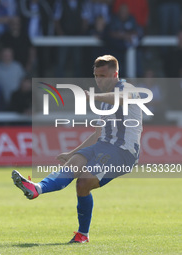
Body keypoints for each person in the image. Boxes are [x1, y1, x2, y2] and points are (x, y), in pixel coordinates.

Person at [12, 55, 142, 243]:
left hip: (123, 152)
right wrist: (73, 152)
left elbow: (122, 98)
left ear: (115, 74)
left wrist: (93, 96)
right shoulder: (105, 102)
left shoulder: (127, 89)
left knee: (84, 181)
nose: (98, 80)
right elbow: (98, 133)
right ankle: (37, 189)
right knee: (73, 170)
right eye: (96, 75)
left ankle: (82, 233)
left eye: (103, 76)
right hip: (103, 145)